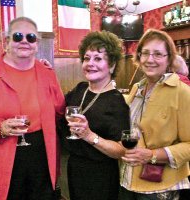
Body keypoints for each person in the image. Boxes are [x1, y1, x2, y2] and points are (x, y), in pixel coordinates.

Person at [0, 17, 65, 200]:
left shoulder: (47, 73)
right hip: (2, 153)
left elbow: (60, 110)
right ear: (6, 41)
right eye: (17, 36)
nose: (24, 41)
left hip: (42, 152)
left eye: (31, 37)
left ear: (37, 44)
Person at [119, 29, 190, 200]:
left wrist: (151, 155)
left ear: (169, 59)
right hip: (128, 180)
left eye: (158, 54)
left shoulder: (182, 92)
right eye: (145, 53)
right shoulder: (137, 88)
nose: (150, 59)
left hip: (159, 188)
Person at [60, 30, 130, 200]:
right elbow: (57, 109)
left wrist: (89, 135)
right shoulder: (80, 89)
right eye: (86, 58)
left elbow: (121, 150)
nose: (90, 63)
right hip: (74, 168)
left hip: (100, 175)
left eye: (98, 59)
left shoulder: (117, 101)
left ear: (112, 65)